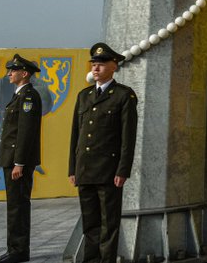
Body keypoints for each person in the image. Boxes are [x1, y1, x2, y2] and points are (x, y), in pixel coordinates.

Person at [68, 43, 138, 263]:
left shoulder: (123, 95)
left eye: (101, 64)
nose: (95, 68)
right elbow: (75, 136)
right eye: (94, 64)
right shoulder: (84, 95)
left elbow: (128, 137)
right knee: (90, 223)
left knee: (109, 224)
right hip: (85, 169)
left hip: (109, 171)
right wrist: (73, 168)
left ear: (114, 67)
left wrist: (123, 169)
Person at [0, 55, 42, 263]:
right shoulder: (18, 96)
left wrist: (19, 163)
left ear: (25, 73)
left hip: (17, 162)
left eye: (13, 70)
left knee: (18, 206)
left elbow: (25, 132)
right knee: (13, 206)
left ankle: (19, 251)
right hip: (11, 159)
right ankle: (13, 248)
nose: (9, 74)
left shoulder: (29, 97)